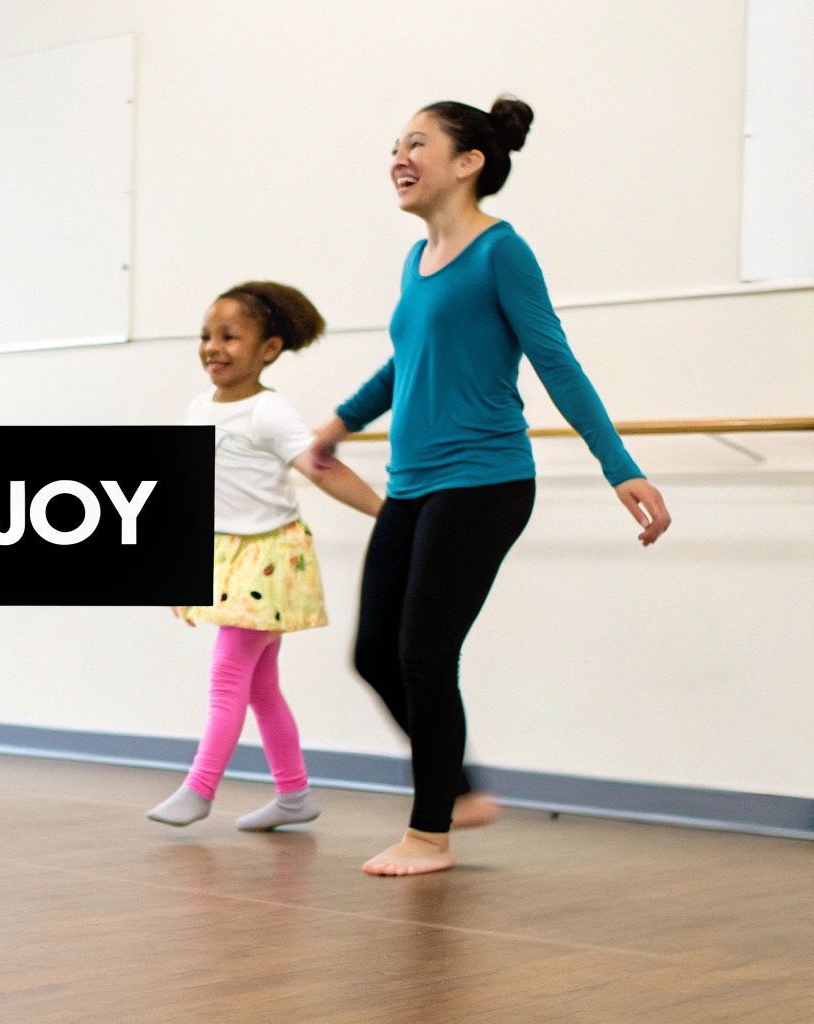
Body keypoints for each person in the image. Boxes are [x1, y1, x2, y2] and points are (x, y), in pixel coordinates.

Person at [308, 97, 672, 876]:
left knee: (424, 651)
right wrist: (339, 423)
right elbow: (404, 363)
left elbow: (555, 361)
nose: (398, 157)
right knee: (375, 653)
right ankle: (461, 789)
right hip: (413, 484)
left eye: (417, 143)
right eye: (394, 145)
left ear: (469, 162)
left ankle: (429, 831)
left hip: (485, 481)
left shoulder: (501, 252)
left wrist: (620, 466)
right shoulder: (416, 261)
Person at [146, 282, 382, 832]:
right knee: (260, 686)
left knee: (228, 677)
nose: (213, 347)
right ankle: (294, 794)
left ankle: (200, 788)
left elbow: (321, 468)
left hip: (269, 557)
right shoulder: (199, 409)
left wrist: (390, 513)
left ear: (268, 350)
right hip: (225, 555)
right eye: (206, 335)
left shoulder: (268, 412)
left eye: (230, 337)